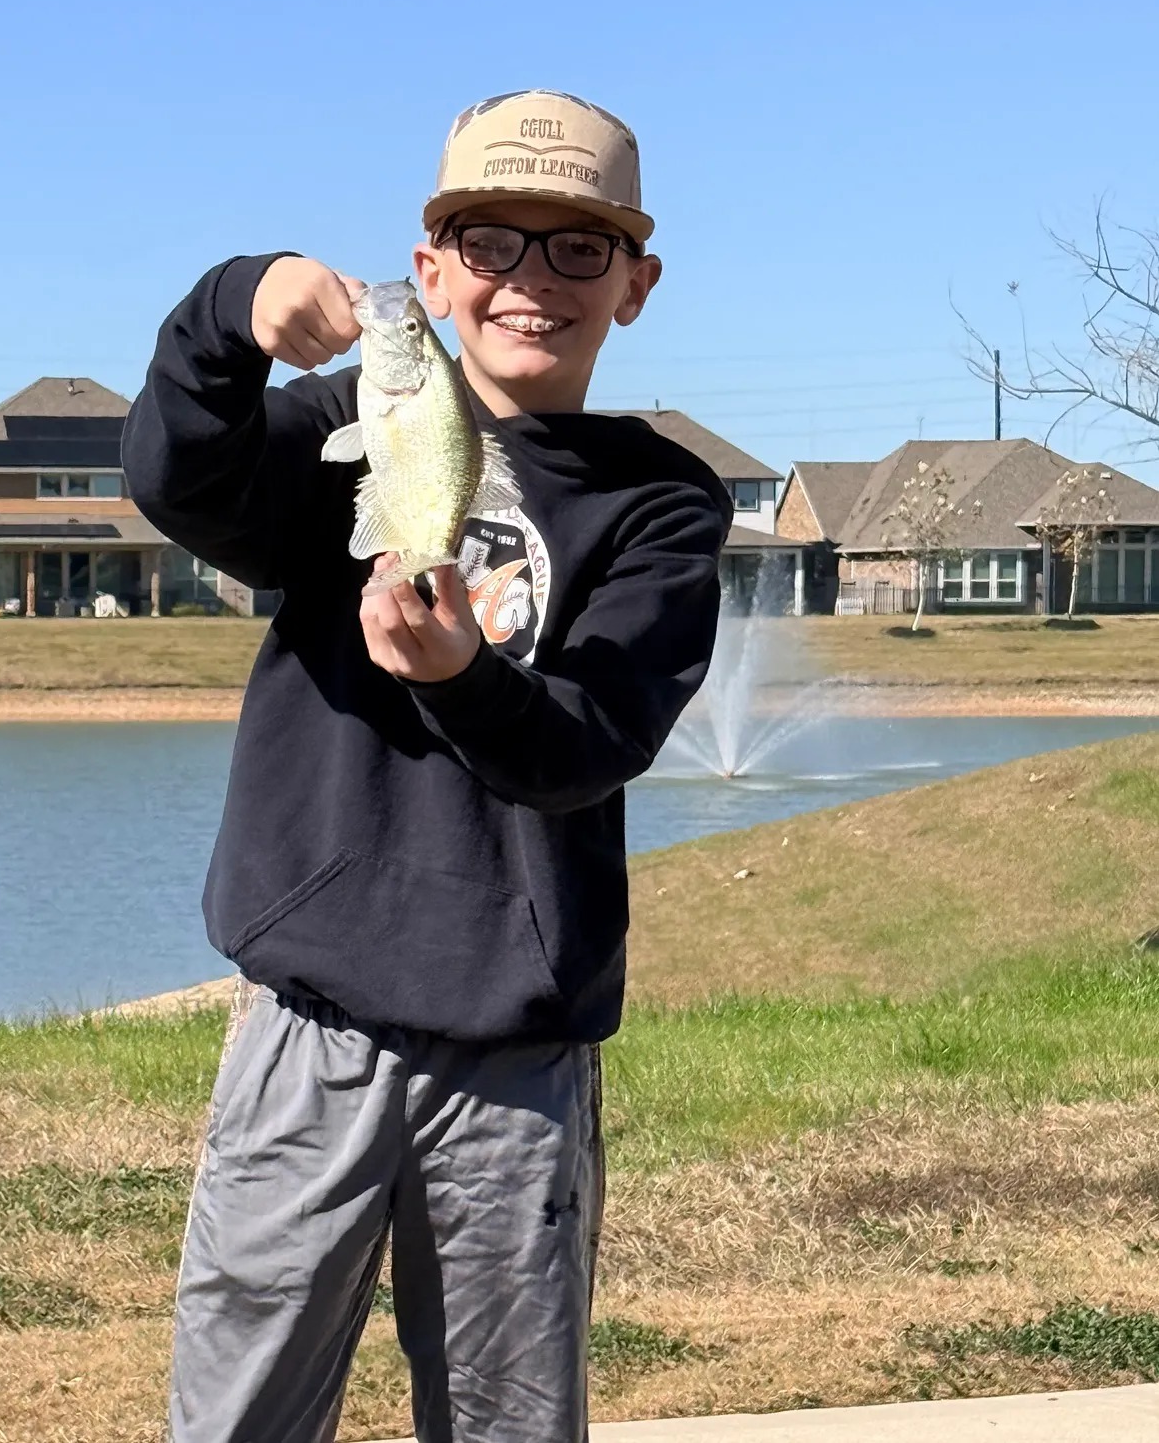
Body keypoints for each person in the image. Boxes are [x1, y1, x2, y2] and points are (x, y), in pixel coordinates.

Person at [121, 88, 732, 1443]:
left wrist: (462, 675)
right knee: (238, 1420)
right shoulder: (353, 419)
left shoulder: (664, 504)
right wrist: (231, 311)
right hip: (309, 1027)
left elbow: (593, 744)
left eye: (579, 248)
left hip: (518, 1056)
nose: (531, 281)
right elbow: (180, 478)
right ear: (430, 265)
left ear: (636, 284)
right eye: (493, 241)